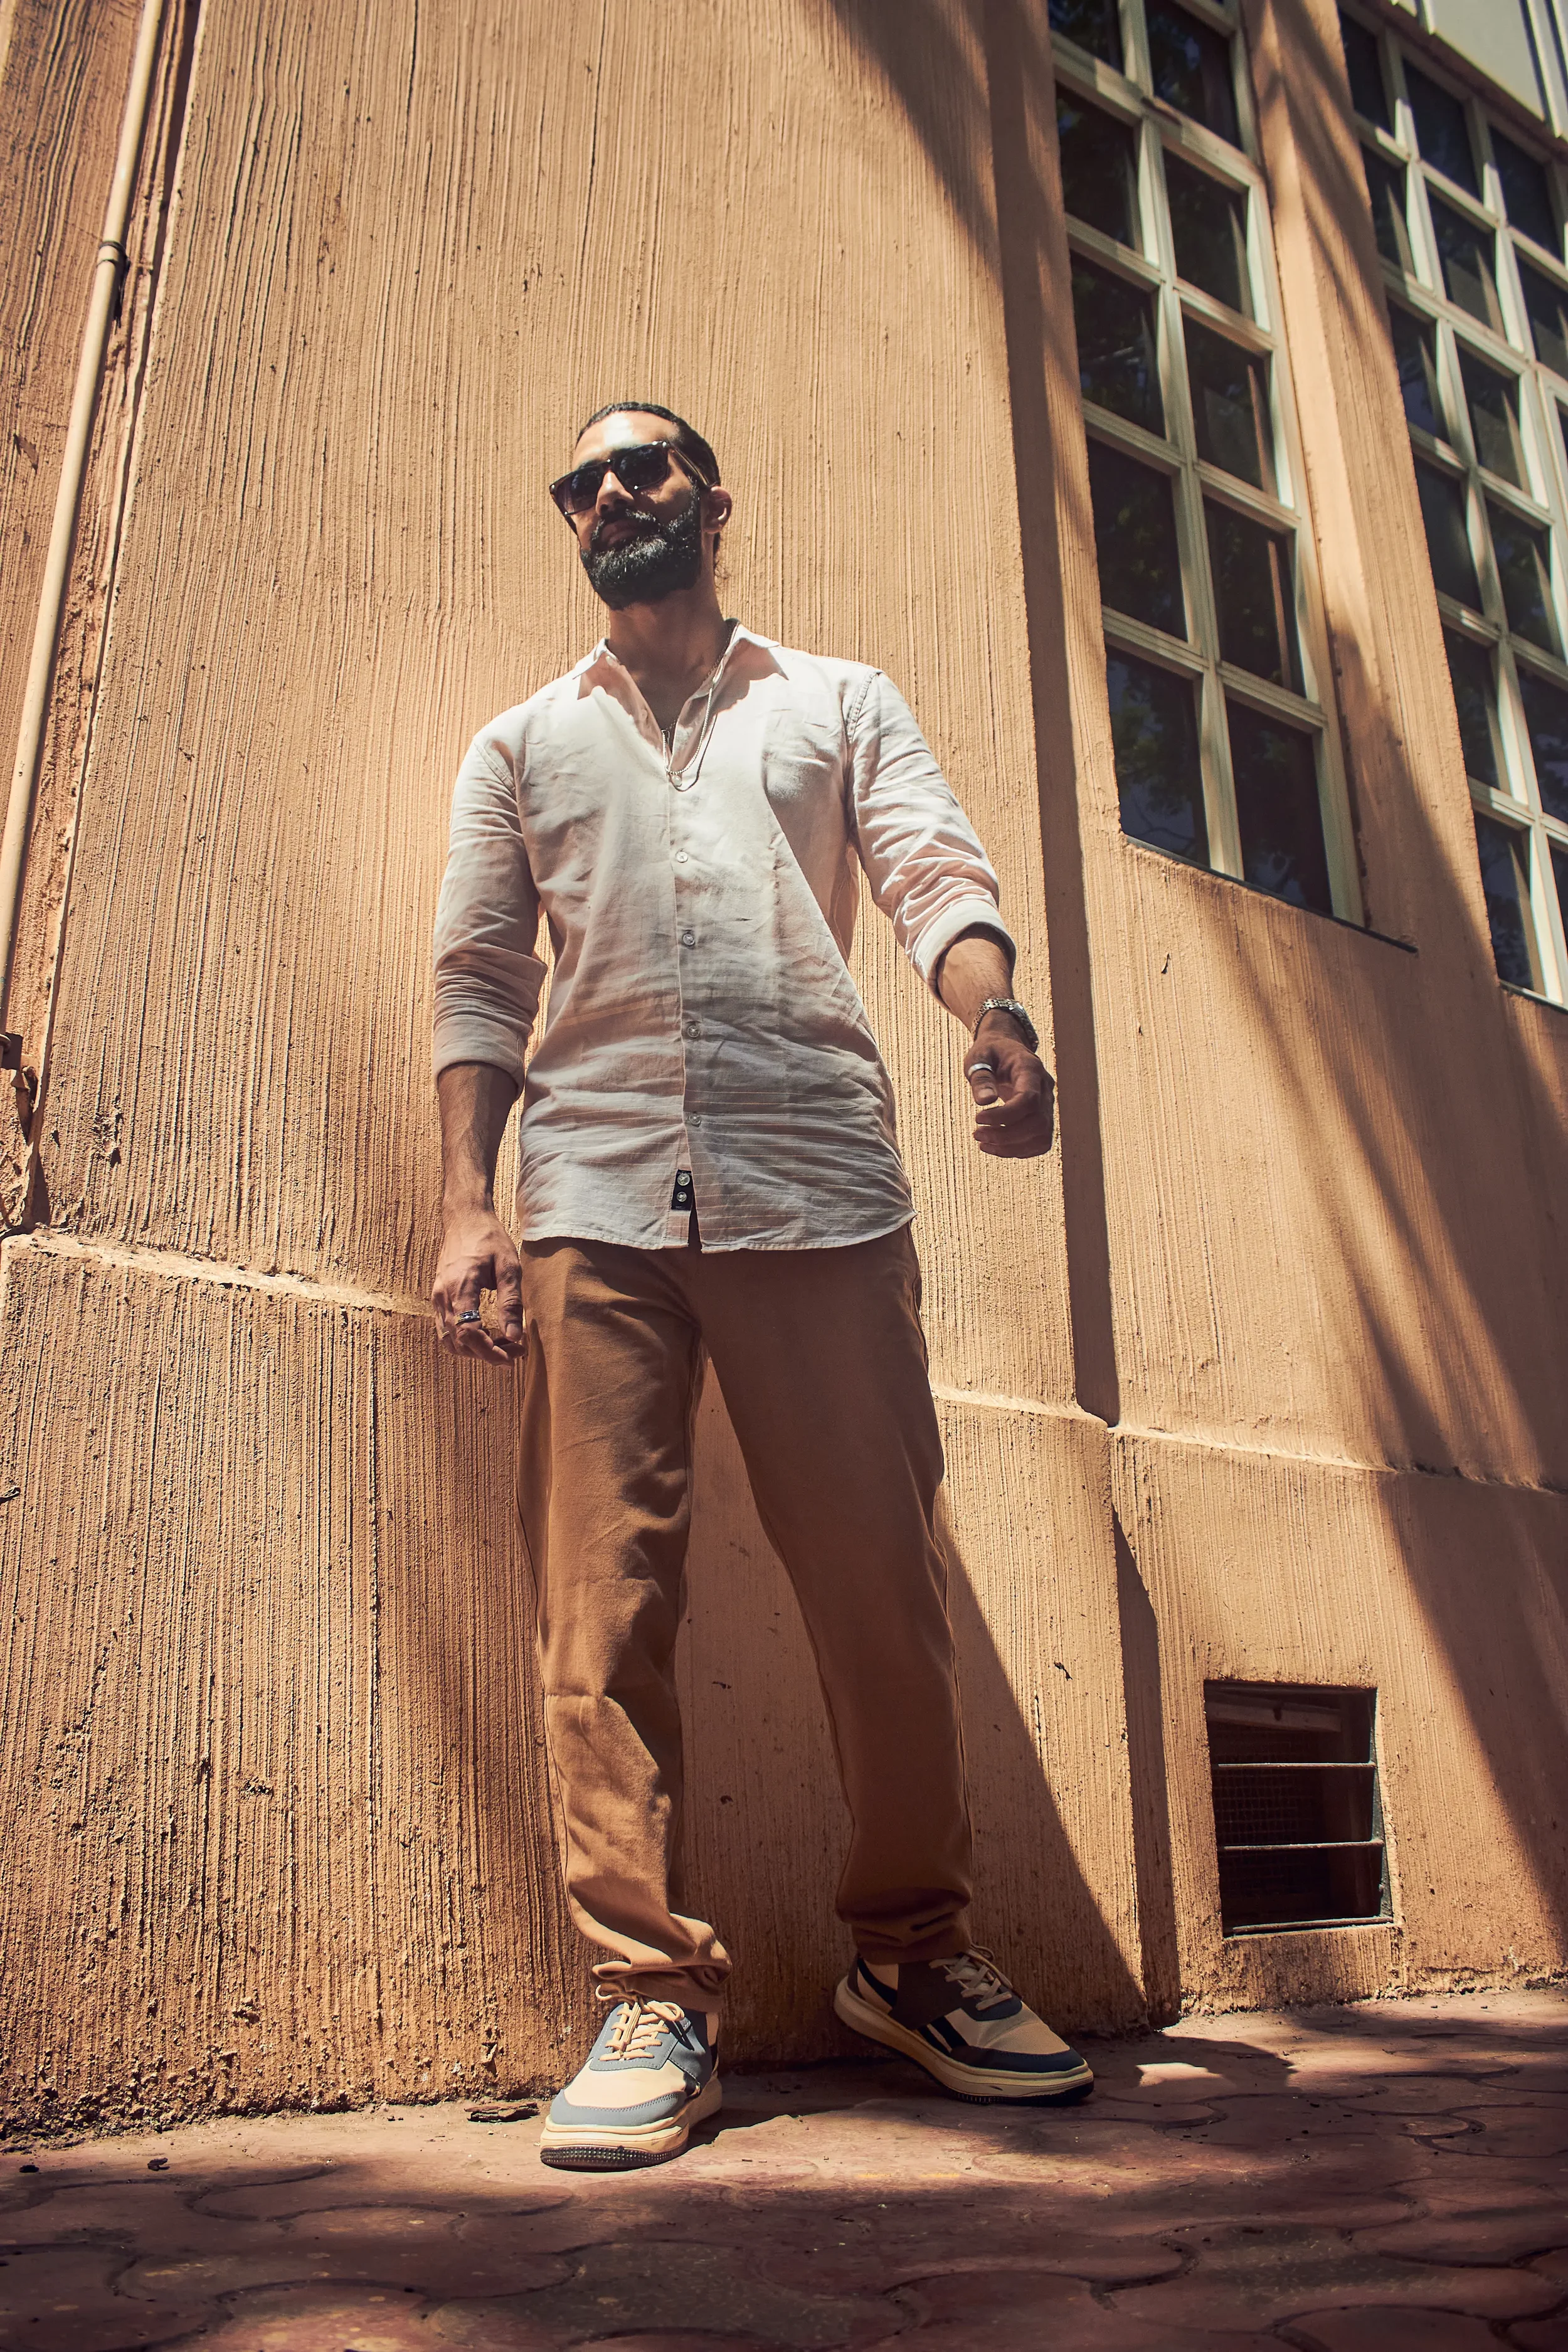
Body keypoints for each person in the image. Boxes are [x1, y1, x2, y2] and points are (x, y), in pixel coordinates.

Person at [430, 400, 1093, 2172]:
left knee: (881, 1588)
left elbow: (934, 870)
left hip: (818, 1186)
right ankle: (648, 1993)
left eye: (645, 465)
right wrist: (460, 1204)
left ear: (713, 499)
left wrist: (992, 1014)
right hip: (590, 1193)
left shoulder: (836, 702)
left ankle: (914, 1952)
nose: (614, 491)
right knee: (601, 1607)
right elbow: (481, 978)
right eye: (583, 478)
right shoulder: (519, 748)